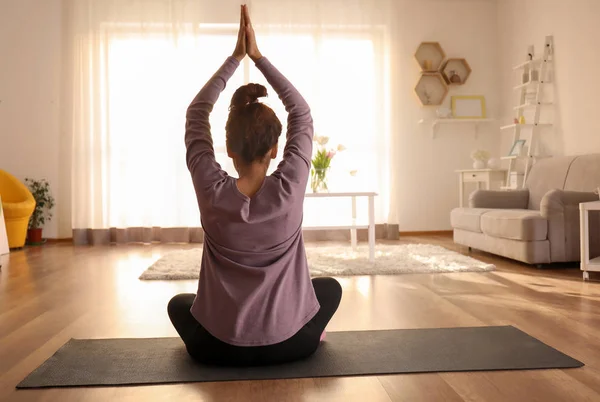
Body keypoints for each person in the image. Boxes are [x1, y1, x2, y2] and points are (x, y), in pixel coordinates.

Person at [167, 4, 342, 367]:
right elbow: (302, 114)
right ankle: (305, 329)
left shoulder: (210, 191)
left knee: (179, 305)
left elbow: (196, 114)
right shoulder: (290, 187)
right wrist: (257, 57)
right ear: (276, 149)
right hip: (293, 344)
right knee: (330, 289)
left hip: (216, 348)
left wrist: (235, 58)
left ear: (228, 149)